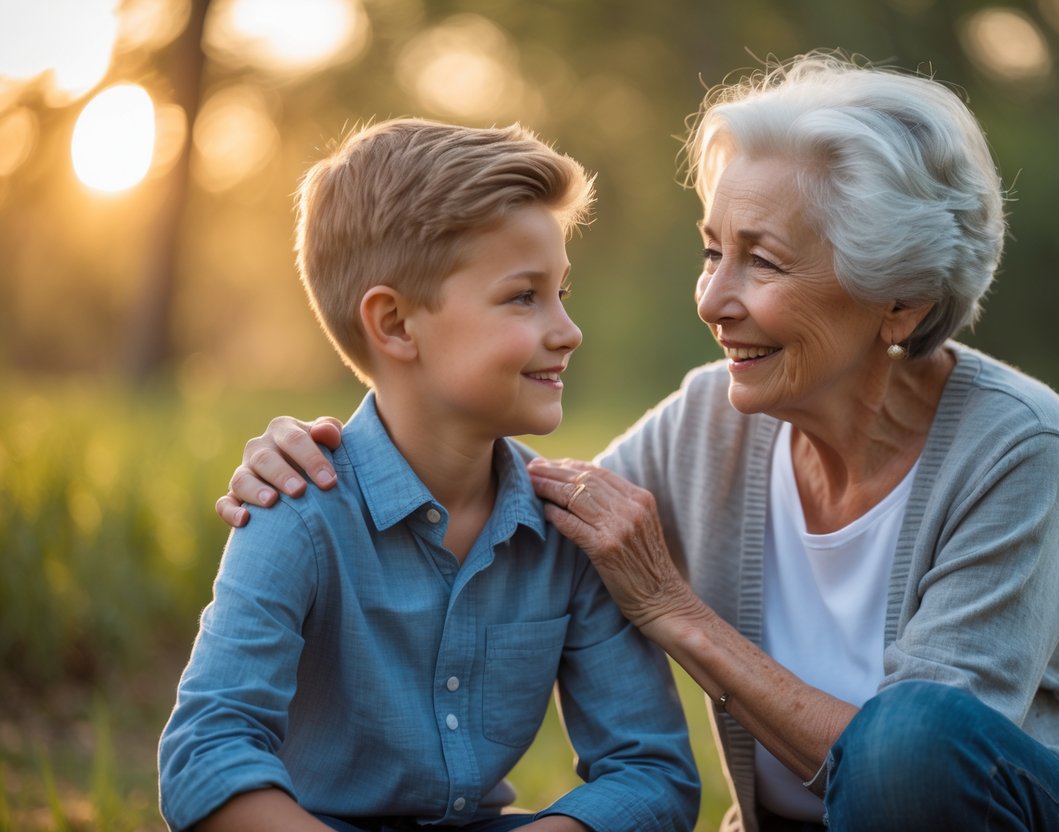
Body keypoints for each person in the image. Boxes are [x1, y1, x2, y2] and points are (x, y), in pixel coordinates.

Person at [214, 54, 1059, 832]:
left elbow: (911, 775)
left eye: (759, 260)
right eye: (708, 249)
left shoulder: (1013, 442)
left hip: (1051, 815)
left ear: (898, 294)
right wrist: (320, 448)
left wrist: (678, 613)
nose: (713, 300)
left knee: (909, 739)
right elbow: (529, 495)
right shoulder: (704, 423)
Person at [159, 118, 700, 832]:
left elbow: (651, 773)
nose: (567, 329)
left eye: (562, 293)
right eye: (522, 296)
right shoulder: (297, 511)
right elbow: (205, 753)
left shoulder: (568, 529)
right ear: (393, 325)